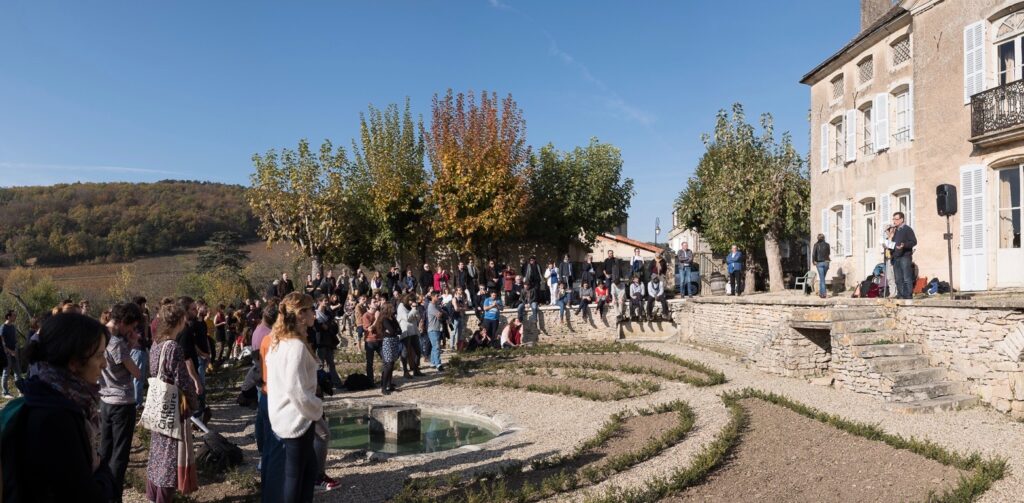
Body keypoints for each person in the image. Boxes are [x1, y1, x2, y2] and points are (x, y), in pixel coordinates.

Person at [1, 313, 115, 502]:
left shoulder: (37, 396)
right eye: (99, 355)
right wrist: (104, 472)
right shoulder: (58, 417)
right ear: (74, 362)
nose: (104, 364)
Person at [265, 293, 323, 503]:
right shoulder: (295, 346)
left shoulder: (279, 342)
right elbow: (294, 387)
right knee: (295, 478)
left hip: (286, 417)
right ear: (300, 315)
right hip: (296, 419)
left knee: (307, 473)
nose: (314, 314)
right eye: (310, 309)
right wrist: (316, 407)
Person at [147, 302, 200, 502]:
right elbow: (182, 380)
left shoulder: (155, 344)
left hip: (157, 403)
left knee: (157, 454)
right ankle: (163, 499)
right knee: (170, 458)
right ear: (178, 321)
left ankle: (152, 496)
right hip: (170, 407)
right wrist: (193, 402)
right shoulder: (173, 347)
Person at [99, 302, 145, 503]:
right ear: (124, 321)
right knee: (119, 455)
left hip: (104, 399)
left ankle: (100, 490)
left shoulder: (99, 334)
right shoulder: (117, 343)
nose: (132, 330)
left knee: (104, 450)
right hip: (122, 402)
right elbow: (136, 373)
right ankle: (113, 497)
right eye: (131, 326)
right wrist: (133, 344)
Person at [372, 303, 402, 395]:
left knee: (392, 363)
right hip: (388, 342)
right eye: (391, 307)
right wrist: (393, 331)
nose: (393, 308)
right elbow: (393, 331)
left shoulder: (392, 318)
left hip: (394, 341)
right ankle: (383, 387)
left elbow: (399, 330)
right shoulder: (384, 319)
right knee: (388, 365)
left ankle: (389, 385)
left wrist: (393, 331)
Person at [890, 211, 918, 299]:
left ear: (901, 219)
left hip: (905, 256)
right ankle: (900, 294)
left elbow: (914, 241)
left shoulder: (907, 229)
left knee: (906, 277)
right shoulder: (895, 231)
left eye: (896, 219)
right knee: (898, 278)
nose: (894, 221)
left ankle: (908, 295)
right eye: (893, 219)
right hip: (896, 257)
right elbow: (893, 244)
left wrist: (904, 245)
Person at [397, 295, 424, 378]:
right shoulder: (401, 307)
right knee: (405, 352)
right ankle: (405, 371)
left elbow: (418, 317)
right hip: (406, 332)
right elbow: (407, 318)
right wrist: (413, 310)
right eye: (410, 301)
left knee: (418, 352)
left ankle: (416, 370)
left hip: (414, 331)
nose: (412, 303)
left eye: (413, 301)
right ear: (406, 300)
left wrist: (415, 310)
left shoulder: (412, 307)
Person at [2, 310, 21, 398]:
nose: (15, 317)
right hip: (7, 354)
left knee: (17, 372)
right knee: (6, 372)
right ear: (8, 317)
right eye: (13, 315)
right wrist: (10, 352)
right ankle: (5, 393)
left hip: (15, 352)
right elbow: (2, 344)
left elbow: (15, 339)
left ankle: (20, 390)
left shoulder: (13, 327)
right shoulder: (3, 328)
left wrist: (16, 348)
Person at [426, 294, 446, 371]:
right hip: (432, 329)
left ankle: (433, 362)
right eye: (437, 296)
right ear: (432, 297)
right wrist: (441, 313)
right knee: (437, 347)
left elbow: (443, 313)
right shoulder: (431, 306)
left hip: (436, 329)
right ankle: (438, 364)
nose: (438, 298)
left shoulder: (436, 306)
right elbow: (439, 314)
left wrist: (442, 313)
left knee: (434, 347)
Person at [363, 302, 381, 384]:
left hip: (379, 340)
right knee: (370, 362)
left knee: (386, 359)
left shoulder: (378, 313)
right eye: (374, 302)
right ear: (369, 305)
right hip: (370, 341)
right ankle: (370, 381)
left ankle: (385, 379)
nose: (376, 303)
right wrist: (377, 318)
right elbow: (369, 329)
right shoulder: (366, 315)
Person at [812, 234, 831, 299]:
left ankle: (823, 294)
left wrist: (813, 261)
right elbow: (829, 253)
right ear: (824, 238)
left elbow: (814, 254)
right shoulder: (827, 244)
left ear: (818, 238)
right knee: (822, 278)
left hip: (819, 263)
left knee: (822, 279)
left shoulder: (816, 245)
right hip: (826, 262)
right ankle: (821, 293)